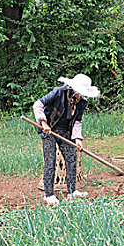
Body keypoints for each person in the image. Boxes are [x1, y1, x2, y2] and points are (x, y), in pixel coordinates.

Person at [33, 73, 100, 205]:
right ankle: (49, 195)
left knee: (71, 157)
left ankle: (72, 191)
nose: (81, 96)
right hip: (49, 129)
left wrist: (78, 139)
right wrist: (44, 123)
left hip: (65, 131)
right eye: (80, 93)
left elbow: (77, 122)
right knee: (50, 160)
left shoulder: (82, 102)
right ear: (74, 90)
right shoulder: (58, 93)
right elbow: (38, 104)